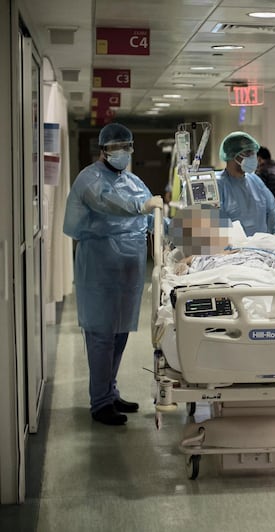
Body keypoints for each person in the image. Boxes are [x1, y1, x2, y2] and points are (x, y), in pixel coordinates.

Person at [63, 123, 163, 425]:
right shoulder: (89, 179)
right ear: (103, 150)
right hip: (99, 265)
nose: (123, 153)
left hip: (128, 268)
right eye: (117, 147)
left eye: (127, 147)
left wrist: (175, 235)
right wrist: (141, 205)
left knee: (119, 334)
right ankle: (100, 403)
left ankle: (111, 392)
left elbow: (152, 216)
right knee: (100, 336)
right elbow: (109, 203)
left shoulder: (133, 180)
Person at [217, 132, 275, 236]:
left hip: (261, 249)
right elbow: (214, 225)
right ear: (233, 154)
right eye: (248, 153)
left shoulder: (255, 181)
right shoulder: (218, 185)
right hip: (231, 251)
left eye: (253, 153)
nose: (253, 158)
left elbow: (272, 213)